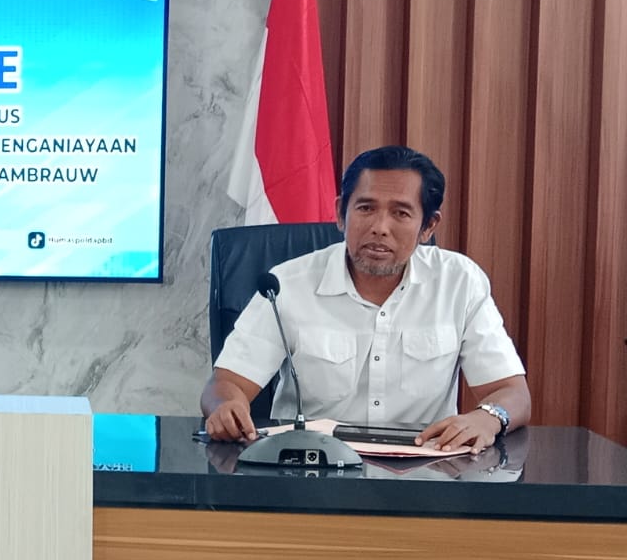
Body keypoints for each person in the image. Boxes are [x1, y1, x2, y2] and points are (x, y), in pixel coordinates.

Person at [201, 145, 530, 452]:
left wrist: (489, 417)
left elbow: (512, 393)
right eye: (366, 208)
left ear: (428, 226)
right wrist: (226, 406)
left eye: (401, 213)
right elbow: (225, 384)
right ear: (341, 213)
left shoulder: (459, 282)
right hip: (310, 468)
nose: (380, 227)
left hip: (424, 470)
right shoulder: (286, 285)